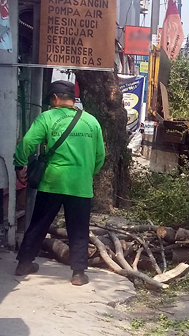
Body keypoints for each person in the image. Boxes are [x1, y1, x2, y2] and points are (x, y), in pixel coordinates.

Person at [13, 80, 105, 286]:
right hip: (80, 185)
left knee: (39, 223)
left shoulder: (47, 117)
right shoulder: (92, 122)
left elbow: (28, 143)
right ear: (72, 99)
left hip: (52, 182)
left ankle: (24, 264)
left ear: (55, 98)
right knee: (79, 229)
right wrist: (87, 173)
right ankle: (78, 274)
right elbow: (100, 156)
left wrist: (19, 165)